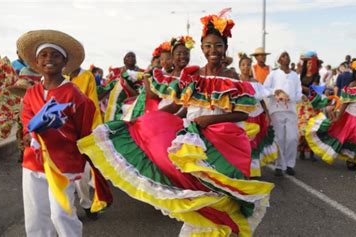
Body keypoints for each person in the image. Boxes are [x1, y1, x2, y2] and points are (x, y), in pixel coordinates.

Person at [78, 9, 273, 236]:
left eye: (218, 45)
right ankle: (201, 227)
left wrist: (209, 119)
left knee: (224, 190)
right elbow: (185, 106)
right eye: (208, 46)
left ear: (225, 48)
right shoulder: (193, 76)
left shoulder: (231, 76)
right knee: (194, 186)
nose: (213, 51)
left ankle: (225, 227)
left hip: (228, 141)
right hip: (196, 137)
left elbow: (242, 114)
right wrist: (152, 121)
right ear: (202, 48)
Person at [17, 29, 97, 236]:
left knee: (61, 214)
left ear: (64, 62)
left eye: (55, 55)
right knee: (36, 215)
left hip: (63, 163)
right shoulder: (31, 92)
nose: (49, 59)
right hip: (33, 161)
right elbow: (26, 119)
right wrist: (28, 134)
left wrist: (80, 158)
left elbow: (83, 130)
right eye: (43, 55)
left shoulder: (75, 95)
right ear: (36, 62)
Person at [306, 60, 356, 170]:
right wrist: (339, 116)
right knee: (355, 137)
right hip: (354, 115)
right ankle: (350, 160)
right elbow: (345, 102)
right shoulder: (353, 85)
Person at [69, 66, 112, 218]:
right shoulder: (58, 76)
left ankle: (86, 204)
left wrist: (93, 130)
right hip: (62, 132)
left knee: (83, 171)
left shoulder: (87, 76)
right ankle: (66, 211)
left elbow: (91, 103)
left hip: (83, 129)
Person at [237, 52, 278, 177]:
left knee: (253, 143)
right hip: (240, 115)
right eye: (243, 65)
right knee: (242, 143)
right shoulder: (235, 80)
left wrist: (267, 114)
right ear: (240, 66)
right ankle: (241, 169)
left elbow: (261, 99)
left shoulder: (255, 82)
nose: (246, 67)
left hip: (255, 116)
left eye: (248, 65)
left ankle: (254, 171)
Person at [264, 51, 302, 176]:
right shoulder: (273, 74)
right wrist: (277, 92)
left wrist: (290, 97)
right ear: (279, 60)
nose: (286, 58)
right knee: (279, 138)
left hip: (291, 110)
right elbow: (265, 89)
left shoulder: (295, 75)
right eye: (283, 56)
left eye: (287, 55)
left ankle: (290, 164)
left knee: (292, 138)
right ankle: (280, 166)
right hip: (276, 110)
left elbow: (299, 93)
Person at [297, 51, 321, 161]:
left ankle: (311, 153)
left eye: (311, 63)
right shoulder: (302, 74)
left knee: (312, 129)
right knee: (302, 129)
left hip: (312, 105)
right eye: (307, 63)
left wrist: (302, 87)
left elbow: (314, 90)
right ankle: (301, 150)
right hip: (302, 104)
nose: (309, 65)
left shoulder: (316, 76)